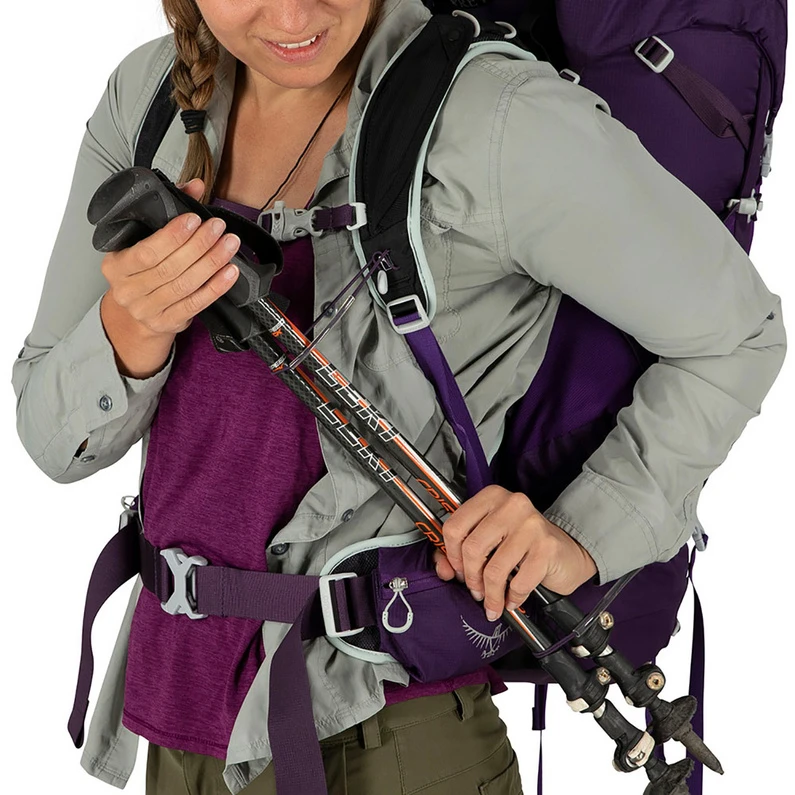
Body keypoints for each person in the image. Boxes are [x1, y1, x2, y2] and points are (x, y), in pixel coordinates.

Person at [10, 0, 786, 793]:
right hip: (173, 722)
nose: (291, 13)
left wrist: (579, 535)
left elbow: (739, 333)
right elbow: (49, 436)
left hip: (388, 738)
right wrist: (131, 326)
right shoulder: (149, 98)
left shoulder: (492, 116)